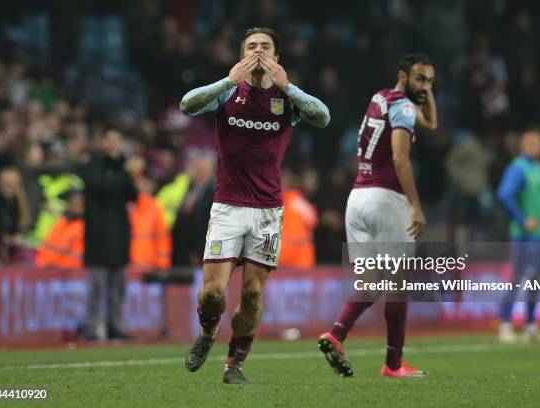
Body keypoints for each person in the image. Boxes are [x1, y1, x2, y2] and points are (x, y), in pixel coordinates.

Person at [180, 27, 330, 384]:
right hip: (227, 207)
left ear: (276, 57)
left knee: (251, 294)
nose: (258, 52)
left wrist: (289, 86)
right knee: (214, 293)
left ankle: (234, 365)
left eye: (265, 47)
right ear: (241, 54)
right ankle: (208, 331)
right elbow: (187, 105)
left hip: (267, 212)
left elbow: (323, 117)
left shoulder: (285, 98)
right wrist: (227, 79)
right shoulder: (229, 91)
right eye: (251, 47)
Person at [317, 54, 436, 378]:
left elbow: (431, 122)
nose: (424, 86)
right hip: (387, 200)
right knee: (397, 283)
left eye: (430, 81)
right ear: (403, 76)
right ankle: (392, 363)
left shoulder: (381, 97)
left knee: (372, 281)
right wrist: (415, 205)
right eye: (419, 79)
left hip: (358, 199)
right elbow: (399, 156)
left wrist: (424, 90)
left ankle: (336, 335)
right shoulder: (405, 107)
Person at [496, 130, 540, 345]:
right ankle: (505, 325)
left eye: (537, 143)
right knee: (519, 277)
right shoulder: (518, 167)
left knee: (536, 280)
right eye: (530, 142)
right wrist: (522, 219)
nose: (534, 146)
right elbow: (504, 194)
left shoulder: (539, 168)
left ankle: (531, 326)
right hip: (526, 235)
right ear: (522, 145)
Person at [79, 130, 138, 341]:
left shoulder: (123, 169)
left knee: (117, 288)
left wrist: (123, 173)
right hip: (97, 236)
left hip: (120, 237)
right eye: (110, 140)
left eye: (118, 141)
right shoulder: (92, 165)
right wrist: (123, 174)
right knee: (96, 286)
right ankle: (91, 328)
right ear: (103, 143)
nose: (114, 145)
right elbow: (102, 187)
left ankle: (116, 327)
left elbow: (134, 194)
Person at [35, 189, 85, 269]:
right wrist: (42, 264)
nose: (75, 207)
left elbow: (64, 247)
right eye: (73, 204)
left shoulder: (82, 226)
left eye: (79, 205)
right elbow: (49, 245)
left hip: (71, 273)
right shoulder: (61, 221)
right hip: (50, 269)